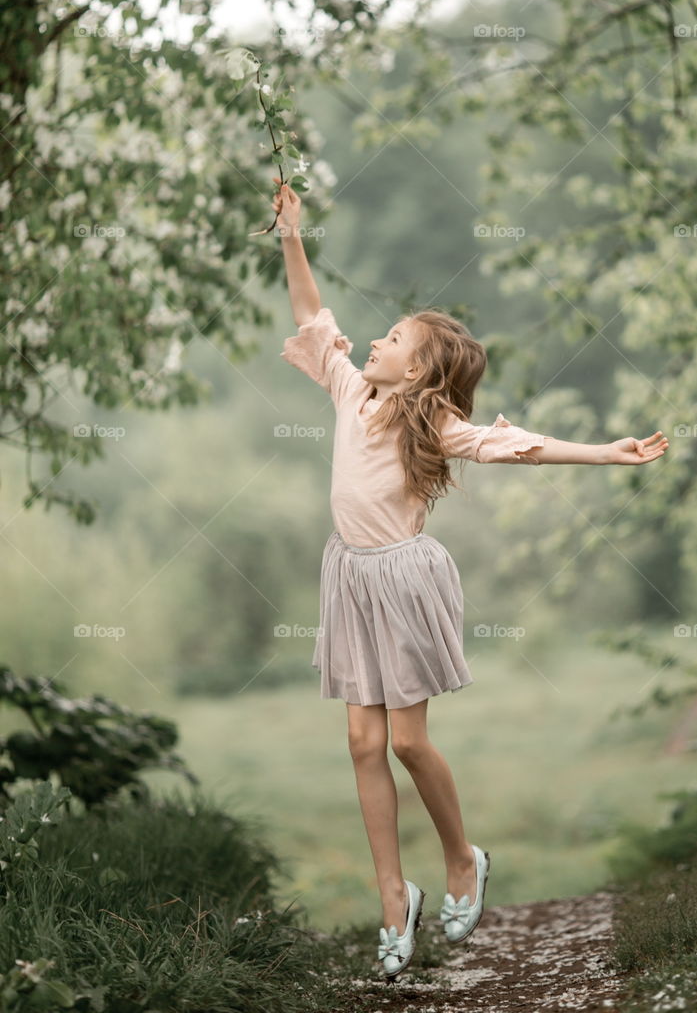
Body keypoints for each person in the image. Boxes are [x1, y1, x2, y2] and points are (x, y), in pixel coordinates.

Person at [272, 177, 669, 980]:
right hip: (349, 578)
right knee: (360, 741)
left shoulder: (437, 424)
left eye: (392, 339)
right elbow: (312, 315)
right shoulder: (351, 392)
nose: (374, 343)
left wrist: (605, 452)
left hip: (405, 583)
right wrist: (289, 233)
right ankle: (394, 897)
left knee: (409, 743)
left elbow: (516, 444)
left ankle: (462, 858)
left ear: (419, 373)